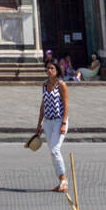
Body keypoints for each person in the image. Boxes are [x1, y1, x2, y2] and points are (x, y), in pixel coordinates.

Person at [32, 59, 70, 193]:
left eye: (52, 68)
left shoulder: (61, 85)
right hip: (48, 122)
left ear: (57, 70)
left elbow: (66, 105)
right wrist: (39, 124)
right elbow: (43, 105)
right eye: (47, 68)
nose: (49, 71)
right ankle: (61, 180)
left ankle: (64, 180)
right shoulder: (44, 85)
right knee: (52, 152)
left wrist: (64, 123)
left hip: (59, 120)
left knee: (55, 150)